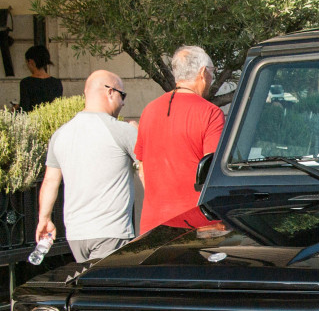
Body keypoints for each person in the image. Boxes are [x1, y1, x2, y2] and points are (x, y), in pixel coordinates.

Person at [35, 70, 137, 262]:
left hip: (76, 235)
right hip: (112, 232)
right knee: (107, 290)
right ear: (110, 92)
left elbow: (50, 181)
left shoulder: (61, 134)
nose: (123, 102)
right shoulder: (122, 130)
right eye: (122, 95)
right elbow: (147, 172)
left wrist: (44, 219)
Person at [135, 45, 225, 233]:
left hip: (153, 224)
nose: (211, 79)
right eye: (211, 72)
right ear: (202, 73)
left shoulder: (149, 110)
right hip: (196, 224)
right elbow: (213, 171)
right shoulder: (210, 113)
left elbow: (142, 169)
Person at [19, 45, 63, 112]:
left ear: (30, 62)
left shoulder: (26, 83)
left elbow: (24, 108)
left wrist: (16, 109)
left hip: (33, 120)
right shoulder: (56, 82)